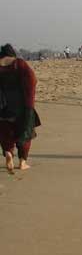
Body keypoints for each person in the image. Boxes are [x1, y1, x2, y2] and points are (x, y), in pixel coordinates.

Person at [0, 44, 40, 173]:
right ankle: (22, 162)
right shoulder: (19, 64)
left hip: (3, 105)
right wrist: (30, 105)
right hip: (21, 105)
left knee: (6, 131)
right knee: (25, 132)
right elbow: (32, 81)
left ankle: (8, 153)